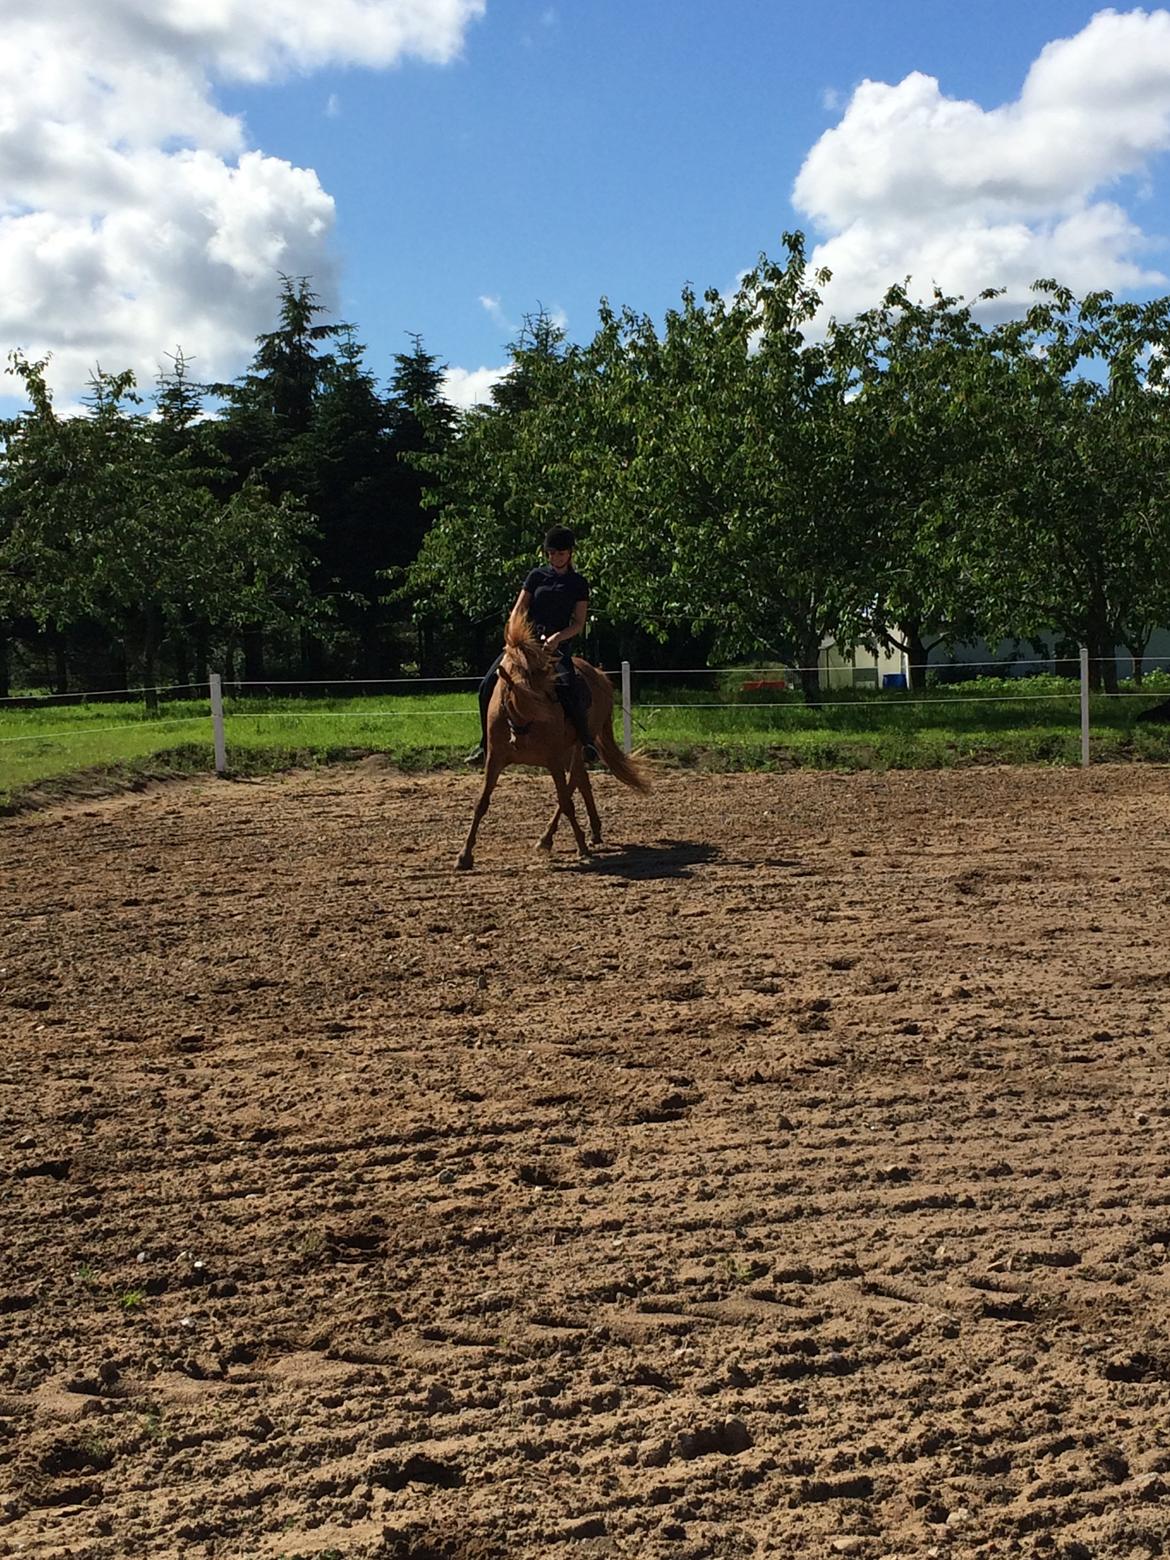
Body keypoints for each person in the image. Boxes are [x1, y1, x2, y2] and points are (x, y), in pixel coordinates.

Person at [465, 525, 599, 765]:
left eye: (561, 553)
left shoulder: (578, 583)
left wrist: (558, 637)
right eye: (552, 553)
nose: (556, 557)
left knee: (570, 686)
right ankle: (484, 743)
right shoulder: (536, 576)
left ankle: (586, 740)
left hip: (555, 649)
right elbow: (519, 609)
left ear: (570, 554)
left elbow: (578, 623)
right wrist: (513, 635)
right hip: (525, 644)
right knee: (487, 684)